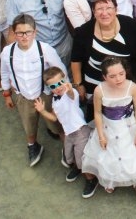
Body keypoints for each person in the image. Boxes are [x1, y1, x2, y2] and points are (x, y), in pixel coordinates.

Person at [0, 14, 67, 167]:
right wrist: (6, 94)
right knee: (28, 124)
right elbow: (4, 73)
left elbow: (60, 70)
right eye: (20, 33)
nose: (24, 36)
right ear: (14, 33)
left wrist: (64, 92)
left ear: (35, 32)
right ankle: (33, 146)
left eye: (28, 32)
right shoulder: (7, 53)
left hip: (45, 95)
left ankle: (67, 148)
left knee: (57, 124)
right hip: (23, 96)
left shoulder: (45, 49)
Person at [81, 57, 136, 196]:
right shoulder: (99, 90)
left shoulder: (132, 87)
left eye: (121, 74)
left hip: (128, 126)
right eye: (112, 76)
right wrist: (101, 135)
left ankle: (135, 178)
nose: (118, 79)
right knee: (110, 154)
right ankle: (111, 180)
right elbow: (97, 112)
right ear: (104, 77)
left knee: (131, 153)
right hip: (109, 126)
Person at [71, 0, 136, 102]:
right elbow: (76, 60)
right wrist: (78, 84)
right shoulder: (83, 32)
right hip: (96, 89)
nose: (104, 13)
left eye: (108, 8)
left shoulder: (130, 25)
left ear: (115, 9)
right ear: (94, 11)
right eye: (99, 9)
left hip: (128, 86)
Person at [33, 66, 98, 197]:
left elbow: (71, 94)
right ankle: (77, 168)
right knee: (69, 155)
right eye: (53, 86)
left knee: (81, 158)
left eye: (59, 83)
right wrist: (42, 111)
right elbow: (54, 117)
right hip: (69, 133)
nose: (57, 87)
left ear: (64, 80)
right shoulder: (54, 100)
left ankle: (91, 179)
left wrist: (68, 86)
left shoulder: (70, 93)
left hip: (80, 131)